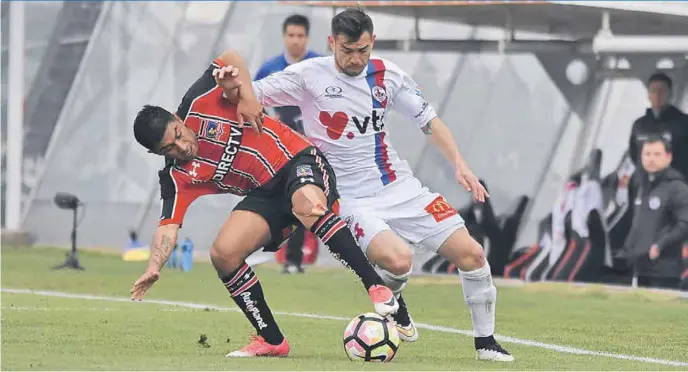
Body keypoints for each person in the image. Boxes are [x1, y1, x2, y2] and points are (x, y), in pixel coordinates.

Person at [220, 7, 513, 362]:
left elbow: (429, 121)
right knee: (398, 259)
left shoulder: (389, 76)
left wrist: (460, 164)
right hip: (347, 196)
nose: (356, 59)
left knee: (473, 254)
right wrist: (231, 81)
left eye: (363, 50)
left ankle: (486, 343)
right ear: (331, 43)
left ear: (372, 42)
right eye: (347, 51)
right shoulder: (308, 75)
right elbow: (251, 94)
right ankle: (397, 305)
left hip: (398, 185)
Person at [129, 52, 399, 358]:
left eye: (178, 135)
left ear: (177, 119)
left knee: (307, 204)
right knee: (223, 254)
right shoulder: (176, 177)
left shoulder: (198, 101)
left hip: (297, 159)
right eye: (169, 148)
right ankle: (271, 339)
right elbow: (168, 227)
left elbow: (229, 59)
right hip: (266, 194)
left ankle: (375, 285)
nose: (182, 147)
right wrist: (153, 266)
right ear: (158, 153)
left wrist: (245, 94)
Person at [254, 14, 322, 274]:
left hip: (316, 145)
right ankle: (284, 257)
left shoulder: (319, 64)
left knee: (315, 198)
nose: (296, 41)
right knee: (289, 199)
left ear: (307, 37)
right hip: (284, 149)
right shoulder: (270, 68)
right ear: (284, 38)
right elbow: (253, 100)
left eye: (300, 36)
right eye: (291, 35)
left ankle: (298, 259)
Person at [622, 136, 688, 289]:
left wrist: (660, 245)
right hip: (640, 266)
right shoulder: (640, 185)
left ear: (668, 157)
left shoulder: (677, 188)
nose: (651, 159)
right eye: (647, 154)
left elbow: (685, 223)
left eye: (657, 154)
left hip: (665, 270)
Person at [628, 72, 688, 180]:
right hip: (646, 185)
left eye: (662, 91)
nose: (657, 95)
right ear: (648, 95)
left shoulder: (683, 123)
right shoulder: (639, 125)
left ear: (670, 94)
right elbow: (634, 155)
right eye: (653, 91)